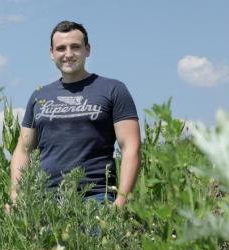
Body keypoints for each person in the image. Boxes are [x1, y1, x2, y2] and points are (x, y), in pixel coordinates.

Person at [8, 20, 141, 210]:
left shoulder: (113, 89)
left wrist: (121, 201)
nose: (68, 54)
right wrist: (16, 197)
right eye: (61, 48)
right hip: (44, 199)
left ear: (87, 50)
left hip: (96, 198)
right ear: (51, 53)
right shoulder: (39, 96)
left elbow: (131, 148)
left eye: (75, 47)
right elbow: (23, 151)